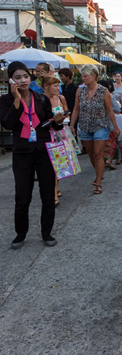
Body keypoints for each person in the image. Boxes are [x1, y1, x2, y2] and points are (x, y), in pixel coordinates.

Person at [0, 61, 65, 249]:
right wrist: (16, 100)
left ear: (30, 78)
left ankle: (47, 232)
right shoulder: (5, 100)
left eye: (25, 77)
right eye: (17, 77)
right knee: (22, 196)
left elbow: (50, 123)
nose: (22, 81)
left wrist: (58, 121)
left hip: (43, 150)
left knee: (47, 195)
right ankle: (20, 233)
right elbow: (8, 124)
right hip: (22, 153)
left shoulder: (40, 98)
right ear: (11, 80)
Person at [69, 65, 120, 194]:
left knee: (98, 154)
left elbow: (109, 110)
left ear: (93, 76)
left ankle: (98, 182)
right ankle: (99, 172)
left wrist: (115, 126)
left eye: (85, 76)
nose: (83, 78)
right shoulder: (80, 91)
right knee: (91, 154)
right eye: (82, 76)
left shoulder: (103, 91)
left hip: (101, 126)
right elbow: (76, 109)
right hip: (85, 126)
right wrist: (72, 124)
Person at [41, 75, 69, 206]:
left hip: (60, 133)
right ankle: (53, 193)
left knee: (58, 163)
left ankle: (55, 187)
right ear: (46, 86)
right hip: (46, 135)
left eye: (58, 85)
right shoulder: (40, 99)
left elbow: (67, 111)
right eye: (55, 85)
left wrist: (65, 117)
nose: (58, 88)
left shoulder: (60, 98)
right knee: (51, 165)